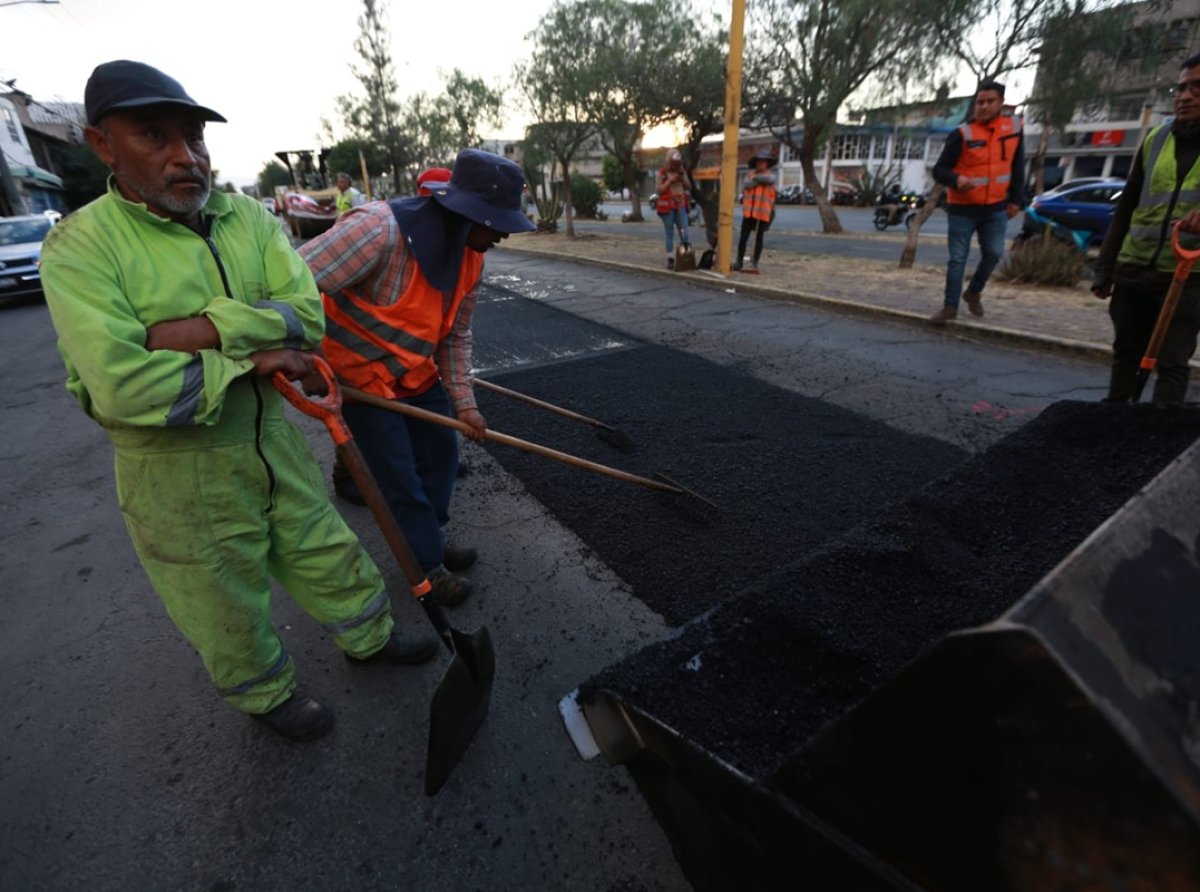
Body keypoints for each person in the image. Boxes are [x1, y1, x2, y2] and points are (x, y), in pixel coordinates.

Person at [38, 60, 438, 744]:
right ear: (102, 144)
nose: (184, 157)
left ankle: (369, 638)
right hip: (176, 471)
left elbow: (304, 317)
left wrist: (187, 333)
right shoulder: (79, 247)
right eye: (155, 136)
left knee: (324, 545)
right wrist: (252, 354)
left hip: (271, 433)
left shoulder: (247, 217)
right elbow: (122, 385)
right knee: (220, 595)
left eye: (195, 138)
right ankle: (266, 695)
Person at [300, 148, 536, 607]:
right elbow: (290, 285)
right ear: (466, 213)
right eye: (497, 222)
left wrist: (465, 402)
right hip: (358, 379)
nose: (504, 233)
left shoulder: (472, 258)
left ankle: (430, 536)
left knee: (441, 457)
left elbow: (454, 335)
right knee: (398, 476)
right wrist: (304, 355)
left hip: (416, 374)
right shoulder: (377, 231)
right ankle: (427, 566)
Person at [1091, 52, 1200, 403]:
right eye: (1181, 87)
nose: (1185, 96)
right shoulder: (1155, 140)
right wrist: (1105, 267)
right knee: (1126, 356)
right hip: (1134, 271)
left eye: (1197, 88)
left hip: (1186, 280)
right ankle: (1114, 427)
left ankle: (1156, 446)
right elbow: (1126, 206)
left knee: (1171, 364)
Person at [929, 81, 1025, 326]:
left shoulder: (1013, 129)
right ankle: (950, 306)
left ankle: (973, 292)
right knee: (957, 259)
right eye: (980, 102)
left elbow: (1017, 166)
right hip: (962, 207)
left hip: (995, 207)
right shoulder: (962, 134)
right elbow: (940, 170)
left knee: (994, 253)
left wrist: (1016, 199)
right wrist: (956, 179)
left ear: (1000, 103)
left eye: (990, 101)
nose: (984, 106)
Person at [734, 151, 778, 273]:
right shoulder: (749, 175)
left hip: (762, 213)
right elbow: (747, 184)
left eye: (763, 162)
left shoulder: (771, 176)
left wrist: (757, 178)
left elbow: (769, 180)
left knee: (759, 238)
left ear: (767, 164)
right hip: (748, 213)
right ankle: (739, 262)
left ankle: (754, 263)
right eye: (759, 162)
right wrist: (758, 179)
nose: (761, 164)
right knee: (743, 238)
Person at [655, 149, 693, 269]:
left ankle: (684, 255)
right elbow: (658, 190)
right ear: (669, 162)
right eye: (674, 163)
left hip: (680, 206)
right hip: (668, 208)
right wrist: (670, 181)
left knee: (685, 233)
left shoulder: (681, 171)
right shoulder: (662, 173)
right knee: (669, 233)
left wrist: (682, 177)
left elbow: (688, 186)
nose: (676, 166)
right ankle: (670, 258)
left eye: (678, 163)